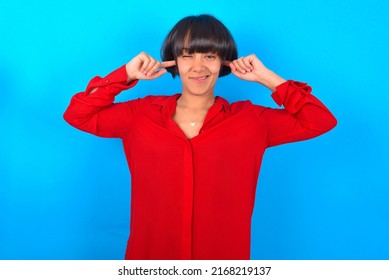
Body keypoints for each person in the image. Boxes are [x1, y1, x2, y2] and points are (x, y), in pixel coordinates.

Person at [63, 14, 337, 260]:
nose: (198, 67)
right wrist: (124, 75)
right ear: (174, 61)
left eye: (209, 56)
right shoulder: (140, 114)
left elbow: (320, 120)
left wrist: (266, 78)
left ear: (223, 62)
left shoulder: (251, 120)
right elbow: (78, 114)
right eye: (187, 55)